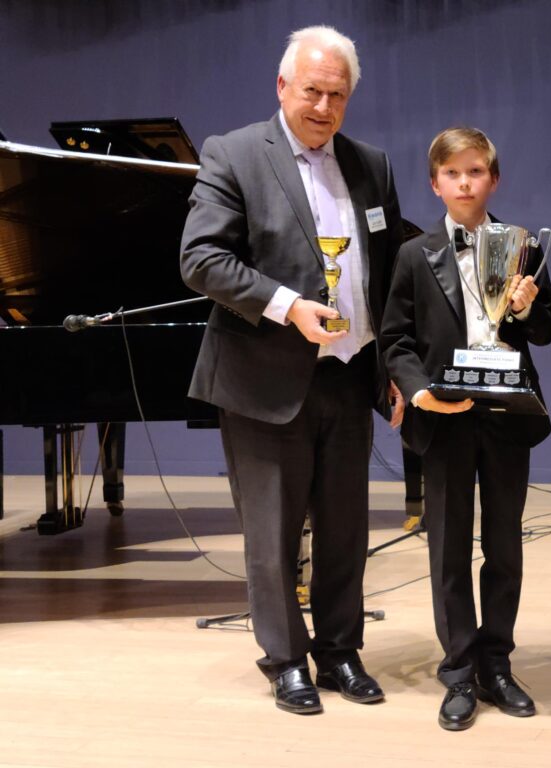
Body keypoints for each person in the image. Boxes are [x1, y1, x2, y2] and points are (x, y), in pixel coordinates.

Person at [180, 25, 405, 715]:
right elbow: (201, 259)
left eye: (337, 94)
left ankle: (339, 649)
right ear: (283, 86)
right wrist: (286, 307)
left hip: (348, 375)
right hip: (264, 379)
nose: (324, 106)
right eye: (312, 91)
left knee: (345, 532)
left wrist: (394, 362)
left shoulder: (371, 164)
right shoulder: (235, 154)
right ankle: (286, 660)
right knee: (272, 537)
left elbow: (389, 272)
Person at [381, 127, 551, 731]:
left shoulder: (524, 245)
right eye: (452, 173)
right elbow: (395, 340)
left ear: (494, 179)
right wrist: (421, 391)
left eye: (476, 171)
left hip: (507, 418)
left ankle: (497, 664)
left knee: (505, 545)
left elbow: (548, 329)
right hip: (446, 417)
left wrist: (531, 303)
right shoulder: (413, 254)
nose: (465, 182)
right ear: (435, 183)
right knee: (449, 548)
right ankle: (458, 670)